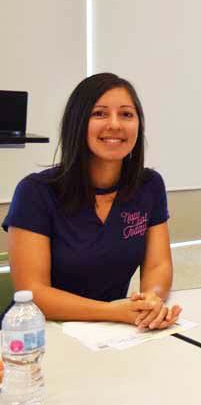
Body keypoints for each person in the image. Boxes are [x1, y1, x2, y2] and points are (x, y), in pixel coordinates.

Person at [2, 73, 181, 330]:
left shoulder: (149, 185)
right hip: (38, 335)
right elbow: (34, 293)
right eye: (99, 114)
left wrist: (151, 298)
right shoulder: (35, 192)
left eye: (126, 114)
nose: (115, 124)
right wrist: (112, 312)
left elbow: (158, 264)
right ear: (77, 122)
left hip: (111, 332)